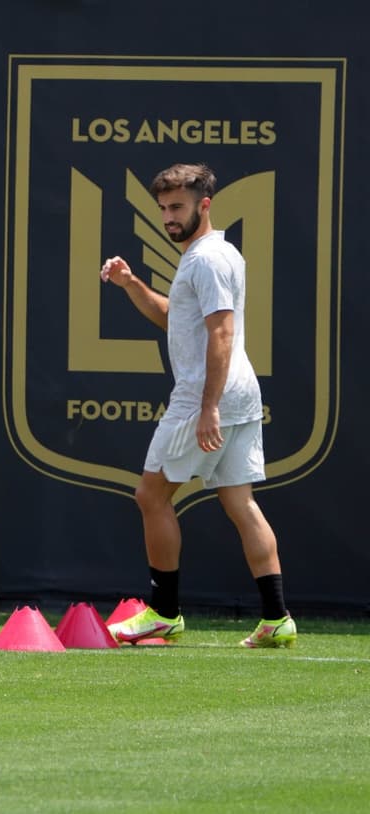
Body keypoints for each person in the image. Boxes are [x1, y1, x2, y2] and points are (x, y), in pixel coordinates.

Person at [101, 163, 296, 648]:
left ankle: (164, 613)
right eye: (163, 209)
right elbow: (175, 317)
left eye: (178, 208)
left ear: (204, 205)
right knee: (239, 501)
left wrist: (208, 407)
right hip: (238, 395)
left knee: (151, 496)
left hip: (208, 397)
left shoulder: (208, 259)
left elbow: (222, 332)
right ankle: (277, 619)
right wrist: (131, 284)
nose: (168, 218)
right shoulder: (206, 256)